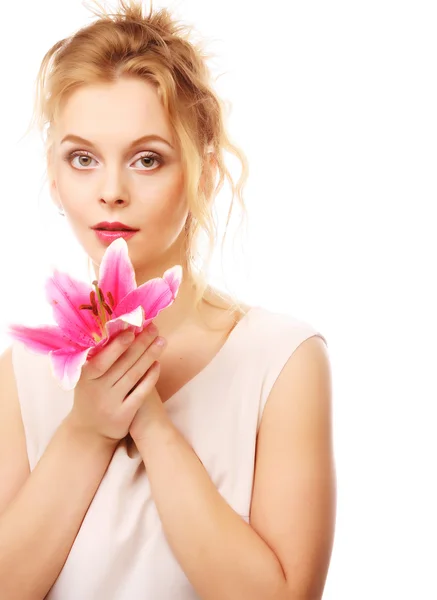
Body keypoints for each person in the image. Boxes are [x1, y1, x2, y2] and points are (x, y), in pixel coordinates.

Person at [0, 1, 336, 598]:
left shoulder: (283, 360)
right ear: (54, 177)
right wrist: (87, 429)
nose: (111, 192)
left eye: (147, 159)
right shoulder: (20, 376)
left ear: (203, 175)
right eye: (83, 159)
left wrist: (149, 419)